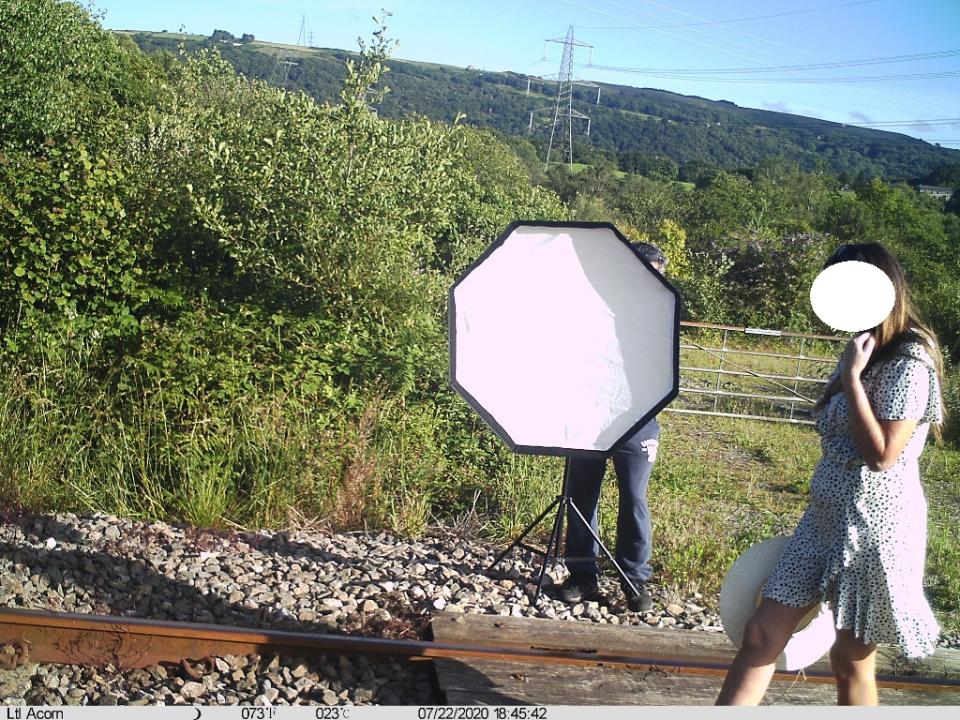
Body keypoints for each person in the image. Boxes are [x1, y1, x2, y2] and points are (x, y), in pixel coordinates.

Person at [716, 242, 946, 706]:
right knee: (761, 634)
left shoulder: (909, 360)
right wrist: (852, 372)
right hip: (823, 519)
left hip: (874, 528)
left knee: (850, 659)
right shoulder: (866, 346)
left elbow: (882, 455)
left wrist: (852, 380)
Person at [559, 241, 667, 613]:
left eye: (659, 276)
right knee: (580, 496)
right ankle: (582, 576)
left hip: (638, 422)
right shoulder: (595, 309)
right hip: (590, 417)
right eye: (646, 274)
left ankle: (633, 580)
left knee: (634, 499)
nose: (653, 283)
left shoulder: (663, 316)